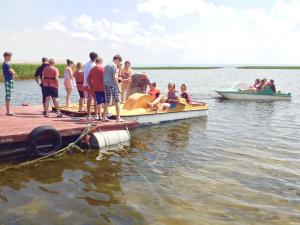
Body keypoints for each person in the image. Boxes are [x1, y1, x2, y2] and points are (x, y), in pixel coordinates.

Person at [103, 54, 124, 122]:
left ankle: (104, 117)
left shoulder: (106, 66)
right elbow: (114, 77)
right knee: (117, 101)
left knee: (107, 101)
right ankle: (118, 118)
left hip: (106, 84)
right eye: (119, 62)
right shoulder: (114, 66)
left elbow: (107, 76)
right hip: (112, 85)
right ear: (117, 60)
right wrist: (119, 88)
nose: (119, 64)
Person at [83, 52, 98, 119]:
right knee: (95, 99)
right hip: (91, 84)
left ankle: (89, 114)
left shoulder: (86, 64)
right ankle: (96, 115)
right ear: (96, 58)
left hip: (85, 84)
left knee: (89, 99)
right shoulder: (94, 65)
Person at [2, 52, 16, 116]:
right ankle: (8, 111)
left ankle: (8, 111)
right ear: (6, 57)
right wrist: (13, 71)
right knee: (8, 96)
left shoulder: (5, 64)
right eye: (10, 56)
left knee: (8, 96)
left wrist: (12, 71)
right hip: (8, 81)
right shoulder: (7, 64)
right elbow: (12, 72)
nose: (10, 58)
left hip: (8, 80)